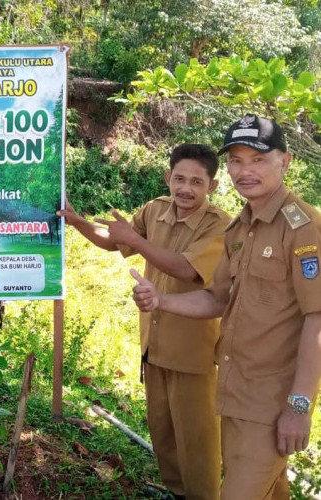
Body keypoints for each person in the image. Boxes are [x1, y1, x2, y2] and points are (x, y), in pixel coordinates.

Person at [131, 115, 321, 499]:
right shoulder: (239, 228)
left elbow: (317, 319)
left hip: (271, 404)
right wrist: (161, 300)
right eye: (236, 160)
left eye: (258, 159)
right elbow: (216, 299)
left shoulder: (303, 228)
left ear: (284, 163)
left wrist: (299, 407)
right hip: (234, 391)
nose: (244, 171)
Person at [58, 144, 231, 500]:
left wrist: (135, 239)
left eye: (196, 182)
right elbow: (115, 241)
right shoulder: (155, 209)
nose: (186, 188)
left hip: (193, 354)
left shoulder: (220, 226)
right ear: (168, 177)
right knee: (163, 430)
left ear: (211, 187)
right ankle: (175, 491)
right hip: (154, 345)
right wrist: (78, 222)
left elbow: (186, 268)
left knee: (197, 441)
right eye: (179, 178)